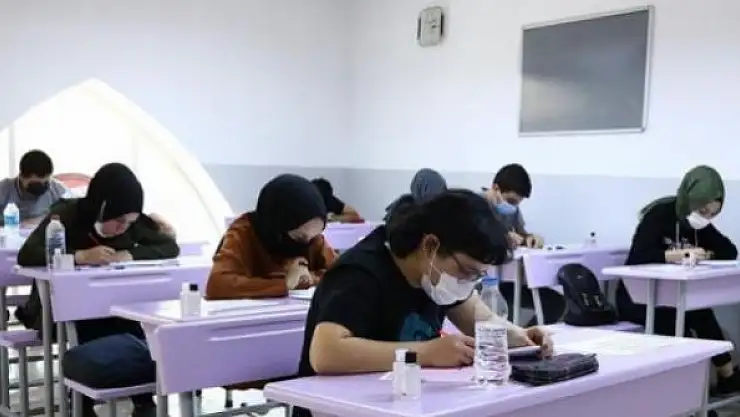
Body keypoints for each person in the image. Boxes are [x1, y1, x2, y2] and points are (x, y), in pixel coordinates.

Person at [295, 190, 553, 417]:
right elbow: (325, 354)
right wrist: (427, 353)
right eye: (466, 271)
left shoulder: (434, 278)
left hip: (402, 404)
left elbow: (480, 319)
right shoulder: (360, 273)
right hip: (338, 408)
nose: (466, 282)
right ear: (430, 245)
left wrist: (522, 337)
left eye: (476, 276)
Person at [15, 163, 180, 417]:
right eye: (119, 221)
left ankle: (143, 400)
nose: (124, 227)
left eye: (130, 222)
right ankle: (84, 402)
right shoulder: (66, 215)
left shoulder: (132, 222)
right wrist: (80, 256)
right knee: (98, 323)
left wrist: (130, 254)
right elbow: (27, 254)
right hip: (61, 310)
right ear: (102, 208)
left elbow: (169, 248)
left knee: (130, 322)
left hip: (111, 307)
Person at [617, 165, 740, 397]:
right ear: (690, 200)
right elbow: (639, 257)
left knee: (700, 310)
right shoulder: (658, 215)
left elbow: (729, 250)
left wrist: (706, 254)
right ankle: (686, 396)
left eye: (712, 214)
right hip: (638, 298)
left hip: (673, 297)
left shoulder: (698, 225)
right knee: (678, 322)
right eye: (703, 211)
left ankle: (722, 379)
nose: (705, 218)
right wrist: (677, 255)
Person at [207, 174, 338, 299]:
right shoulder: (243, 233)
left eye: (314, 236)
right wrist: (284, 283)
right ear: (279, 226)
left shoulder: (312, 238)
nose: (309, 244)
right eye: (300, 237)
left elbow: (342, 274)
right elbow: (218, 284)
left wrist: (310, 278)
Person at [482, 164, 564, 326]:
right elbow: (472, 240)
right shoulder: (474, 206)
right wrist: (502, 238)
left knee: (555, 303)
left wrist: (530, 238)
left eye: (517, 203)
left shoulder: (511, 210)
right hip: (480, 282)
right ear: (495, 188)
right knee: (502, 317)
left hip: (505, 282)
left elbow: (520, 234)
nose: (513, 206)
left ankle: (528, 336)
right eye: (511, 201)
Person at [0, 149, 68, 227]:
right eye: (37, 184)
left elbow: (72, 213)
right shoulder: (4, 189)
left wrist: (41, 220)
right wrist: (19, 222)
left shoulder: (57, 189)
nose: (42, 187)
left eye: (46, 183)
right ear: (21, 177)